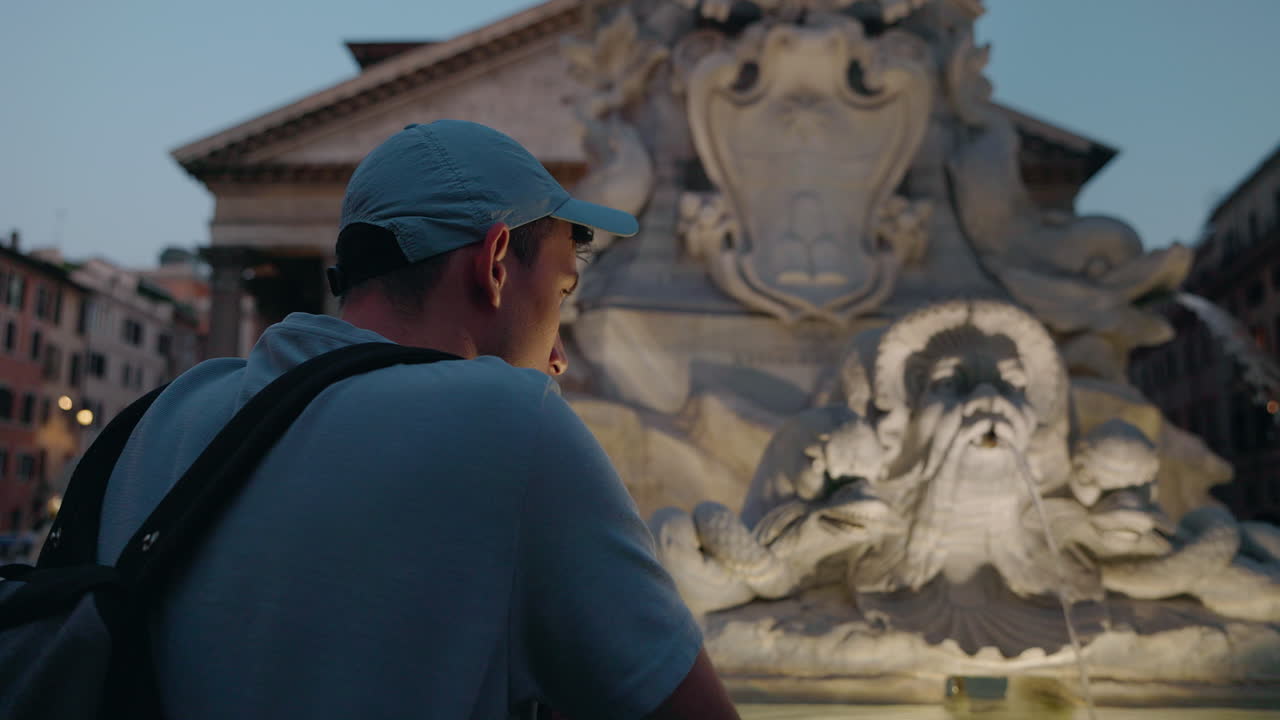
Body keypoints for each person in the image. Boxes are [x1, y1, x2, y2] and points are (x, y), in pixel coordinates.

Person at [96, 120, 739, 720]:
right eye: (562, 295)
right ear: (493, 265)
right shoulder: (511, 426)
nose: (561, 357)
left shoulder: (155, 421)